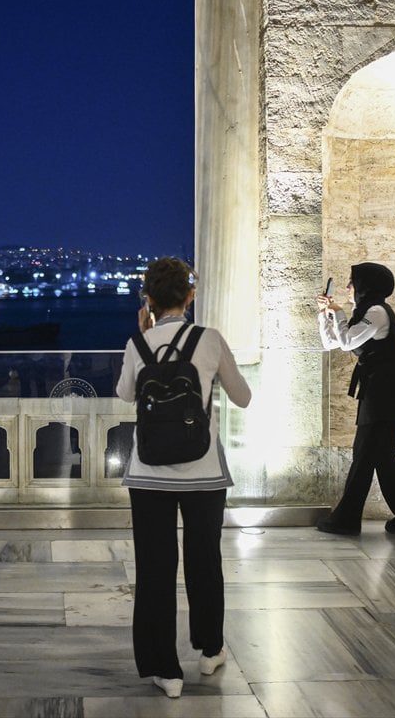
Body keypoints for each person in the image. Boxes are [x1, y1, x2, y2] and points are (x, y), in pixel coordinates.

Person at [116, 257, 252, 699]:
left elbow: (124, 395)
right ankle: (210, 649)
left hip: (149, 476)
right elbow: (243, 397)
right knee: (204, 563)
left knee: (155, 570)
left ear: (148, 300)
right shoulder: (209, 340)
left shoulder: (138, 343)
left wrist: (143, 334)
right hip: (204, 475)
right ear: (190, 297)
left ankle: (166, 670)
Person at [316, 262, 395, 538]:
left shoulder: (377, 312)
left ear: (366, 286)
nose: (347, 288)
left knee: (367, 454)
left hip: (388, 389)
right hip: (381, 388)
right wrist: (325, 316)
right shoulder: (365, 312)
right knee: (383, 458)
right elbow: (332, 342)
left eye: (352, 282)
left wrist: (339, 313)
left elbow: (347, 342)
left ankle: (347, 519)